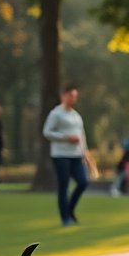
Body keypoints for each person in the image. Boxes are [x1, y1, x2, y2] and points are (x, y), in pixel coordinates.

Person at [43, 84, 89, 226]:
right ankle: (65, 218)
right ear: (64, 96)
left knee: (83, 182)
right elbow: (47, 132)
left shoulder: (76, 116)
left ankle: (69, 209)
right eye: (70, 96)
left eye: (75, 96)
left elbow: (82, 135)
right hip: (61, 154)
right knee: (64, 186)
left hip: (76, 155)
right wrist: (66, 137)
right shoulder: (56, 113)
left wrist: (85, 152)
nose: (73, 99)